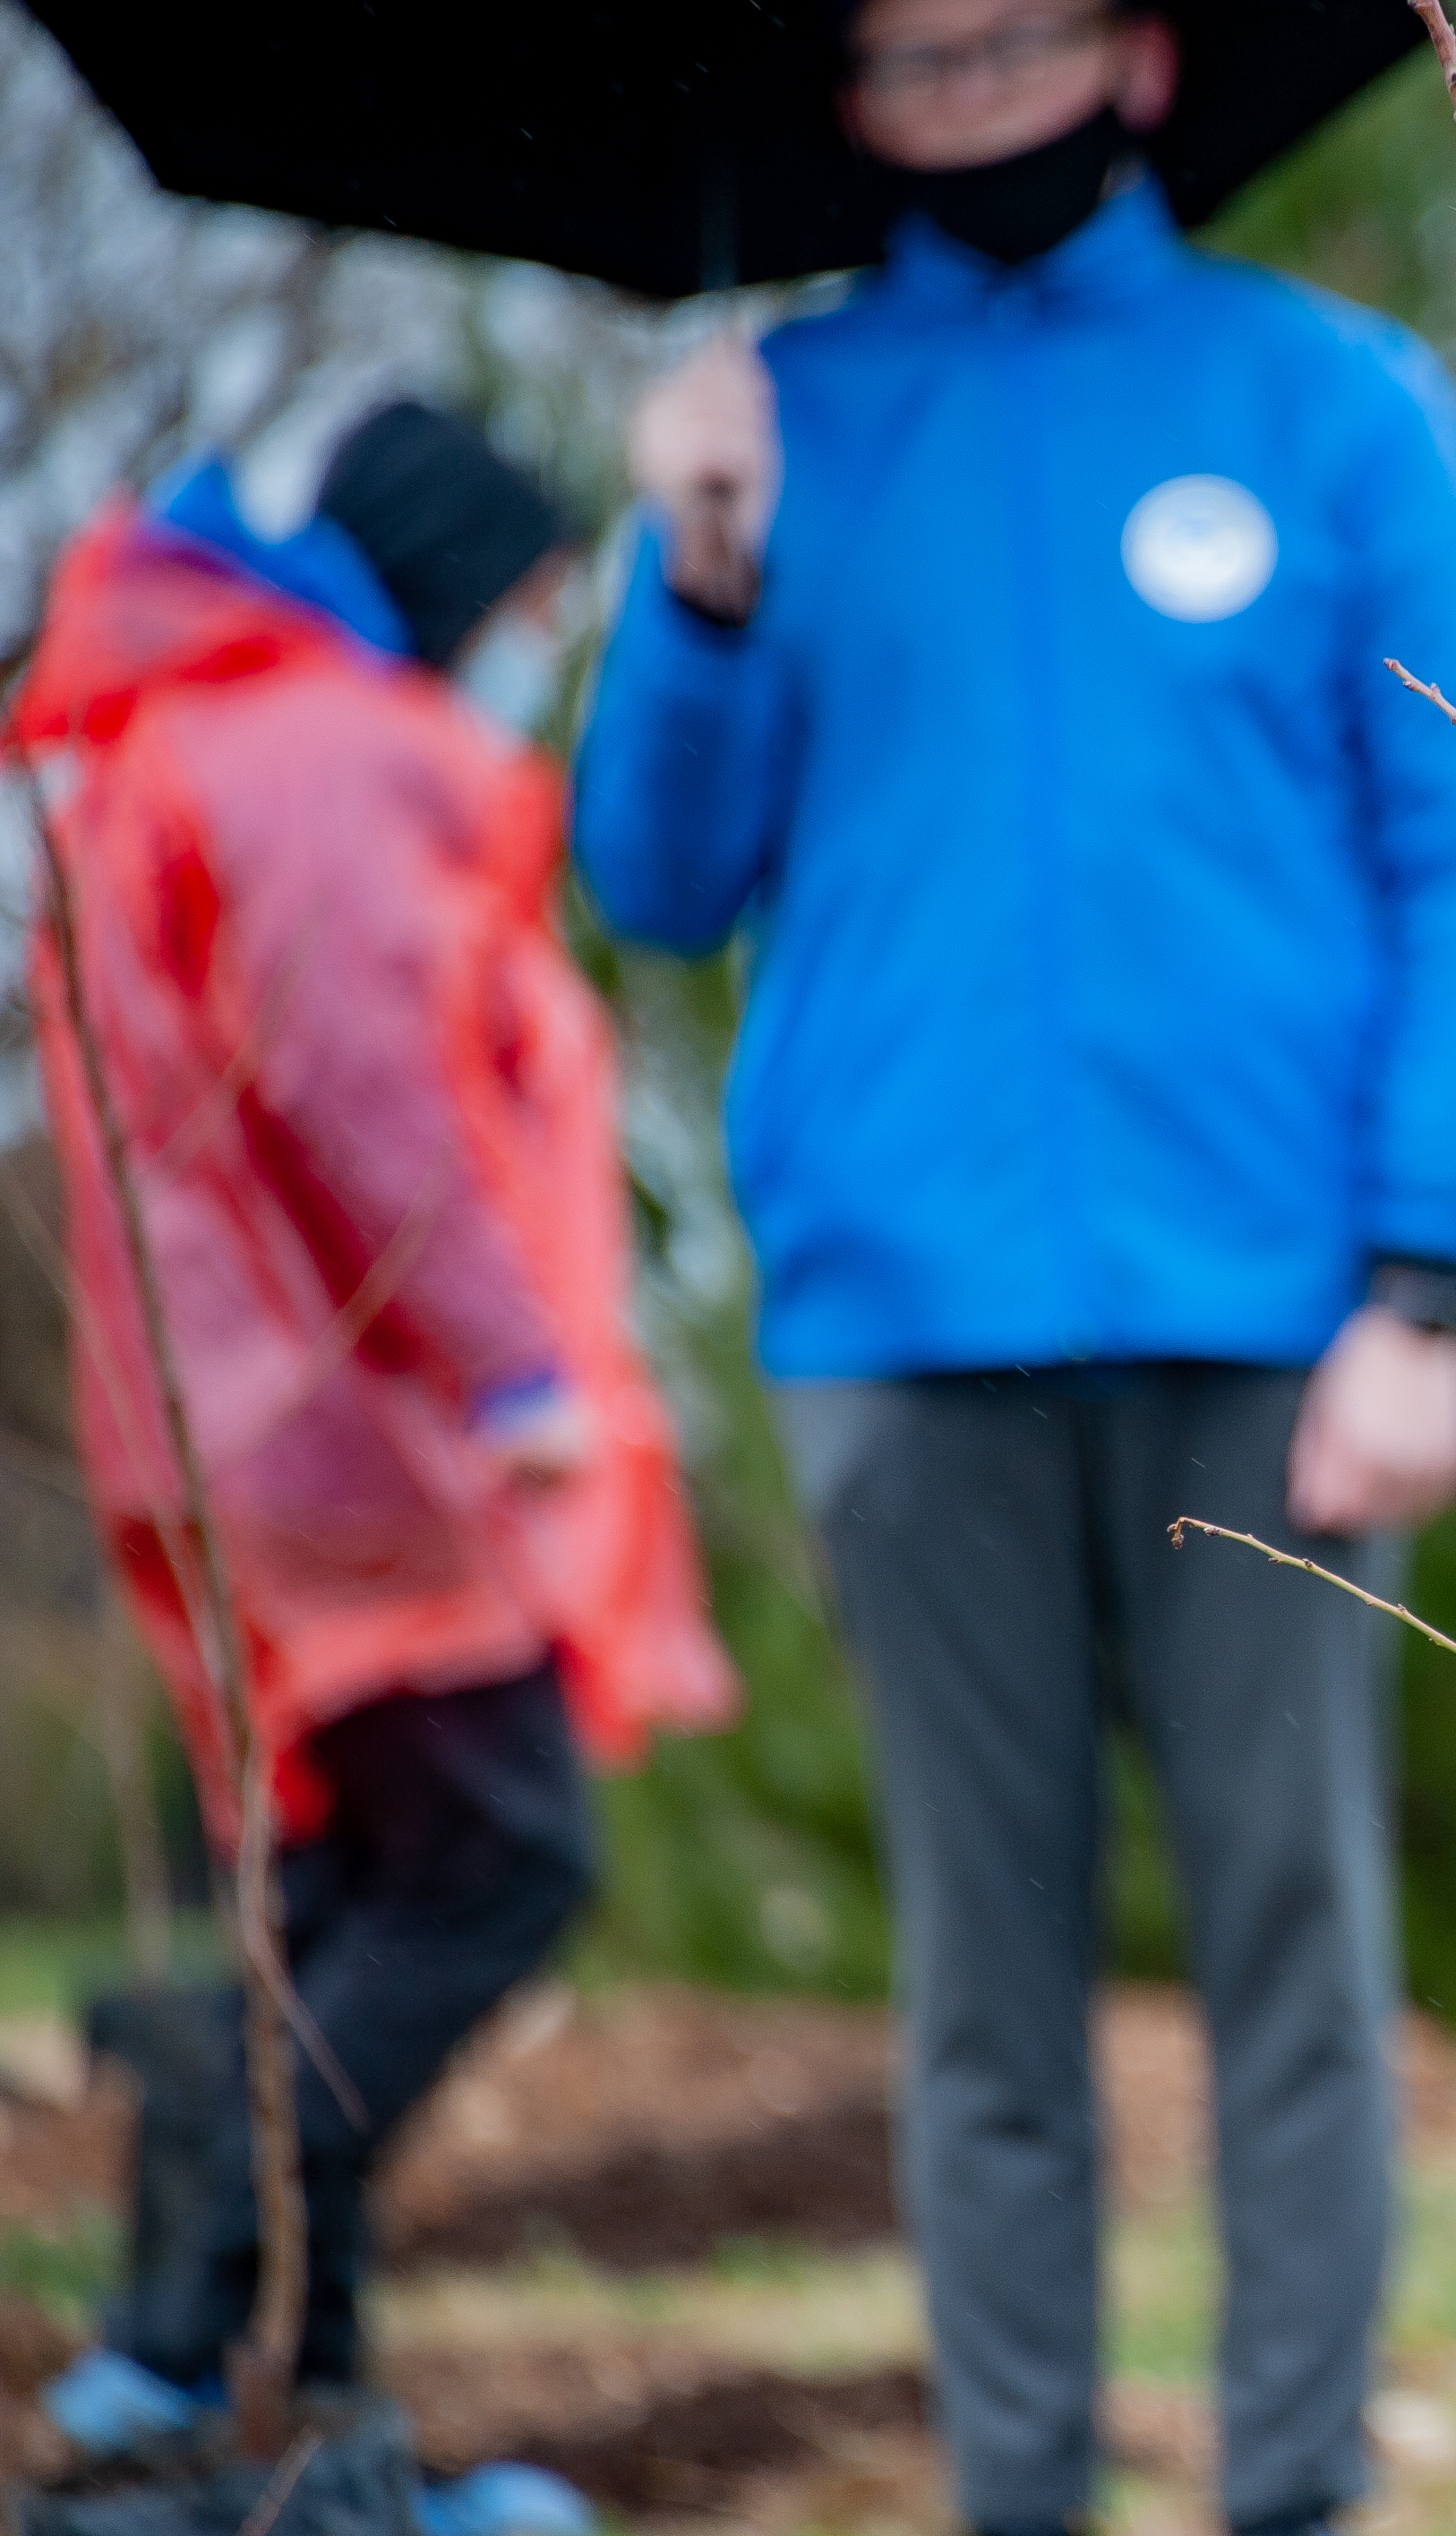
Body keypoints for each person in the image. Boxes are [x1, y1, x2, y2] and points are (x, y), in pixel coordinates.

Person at [570, 0, 1456, 2526]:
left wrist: (1425, 1283)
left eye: (1012, 36)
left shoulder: (1335, 407)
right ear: (846, 99)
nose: (967, 95)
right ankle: (1021, 2495)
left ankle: (1296, 2490)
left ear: (1132, 55)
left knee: (1295, 1969)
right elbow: (656, 881)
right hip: (906, 1340)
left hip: (1280, 1331)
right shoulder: (767, 434)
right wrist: (695, 583)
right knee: (980, 1998)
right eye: (914, 58)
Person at [8, 401, 738, 2501]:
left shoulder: (187, 738)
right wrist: (519, 1372)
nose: (533, 638)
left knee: (335, 1886)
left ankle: (280, 2404)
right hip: (355, 1429)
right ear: (441, 575)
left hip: (237, 1427)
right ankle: (182, 2322)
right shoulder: (325, 749)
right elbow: (364, 1081)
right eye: (525, 599)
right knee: (498, 1860)